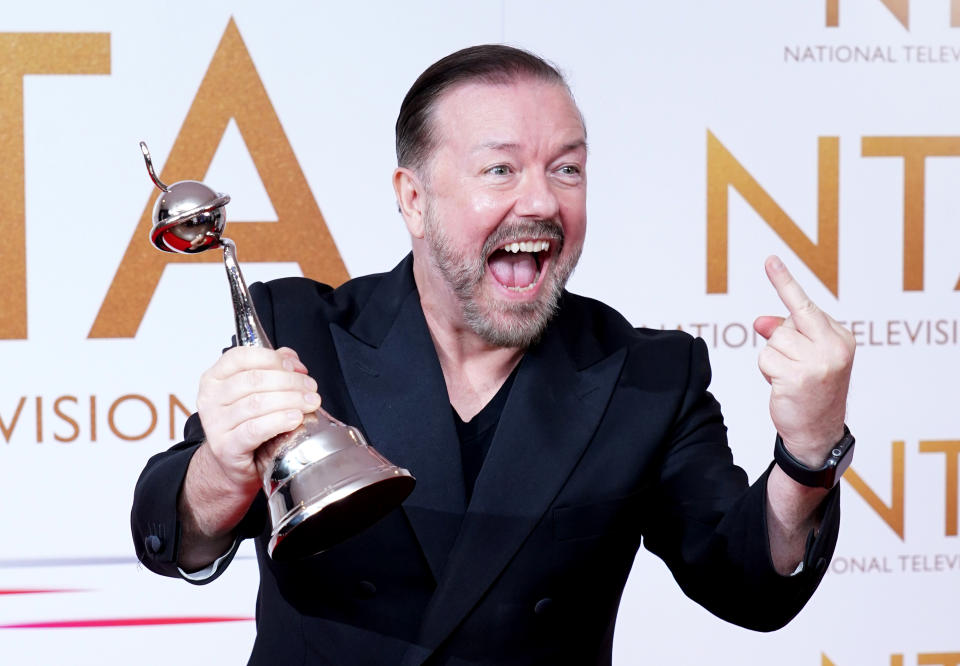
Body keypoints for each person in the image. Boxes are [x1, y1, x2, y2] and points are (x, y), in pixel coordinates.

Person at [131, 44, 855, 665]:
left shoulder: (648, 377)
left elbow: (750, 586)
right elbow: (172, 539)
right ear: (413, 200)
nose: (541, 201)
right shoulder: (299, 328)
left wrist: (808, 449)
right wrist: (220, 471)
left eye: (567, 169)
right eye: (501, 171)